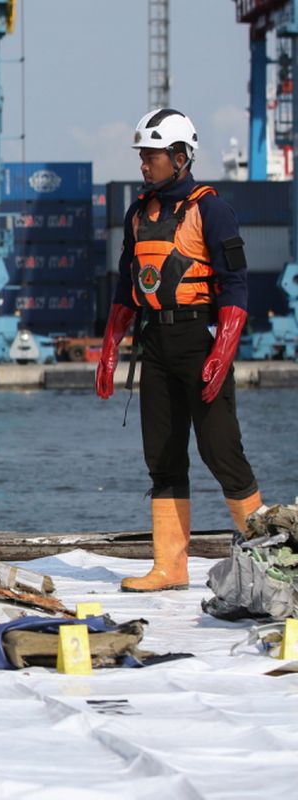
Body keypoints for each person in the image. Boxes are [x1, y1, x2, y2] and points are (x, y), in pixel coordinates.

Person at [96, 108, 265, 592]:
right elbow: (127, 290)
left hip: (199, 342)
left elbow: (235, 286)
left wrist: (222, 351)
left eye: (151, 156)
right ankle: (170, 567)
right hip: (156, 345)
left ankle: (268, 559)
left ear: (179, 156)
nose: (144, 165)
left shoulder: (211, 208)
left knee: (221, 452)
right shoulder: (136, 213)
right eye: (142, 156)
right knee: (163, 457)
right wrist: (111, 348)